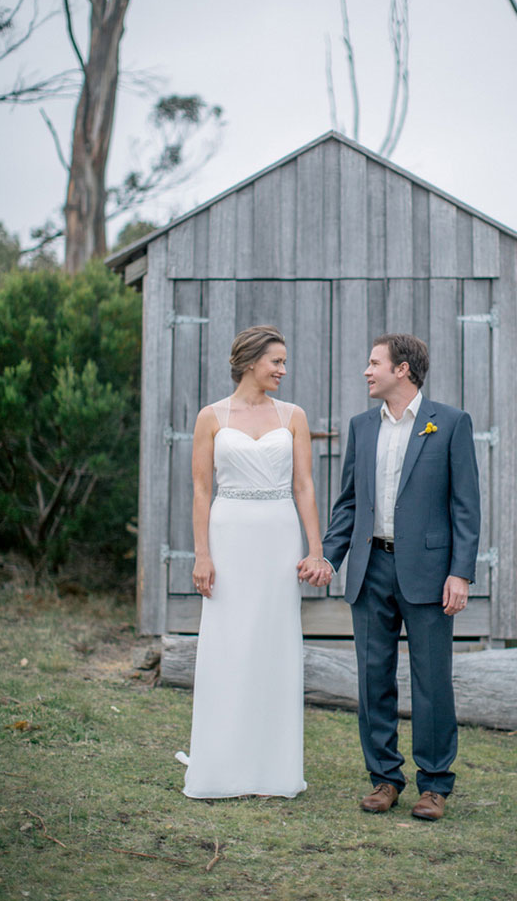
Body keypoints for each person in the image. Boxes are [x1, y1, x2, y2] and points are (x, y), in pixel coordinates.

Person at [301, 333, 480, 821]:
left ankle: (435, 785)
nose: (366, 370)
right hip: (371, 568)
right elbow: (350, 504)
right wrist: (329, 558)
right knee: (372, 678)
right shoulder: (362, 427)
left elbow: (466, 507)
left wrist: (460, 573)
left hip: (428, 572)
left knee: (432, 681)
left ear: (402, 370)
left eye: (374, 362)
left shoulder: (450, 423)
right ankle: (384, 778)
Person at [177, 325, 331, 799]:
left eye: (284, 362)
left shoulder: (294, 416)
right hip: (229, 536)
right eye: (276, 362)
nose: (283, 370)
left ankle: (272, 767)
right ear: (250, 362)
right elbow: (202, 490)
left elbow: (304, 486)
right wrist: (202, 554)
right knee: (228, 643)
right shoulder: (211, 417)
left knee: (272, 643)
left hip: (278, 537)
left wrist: (315, 549)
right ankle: (221, 763)